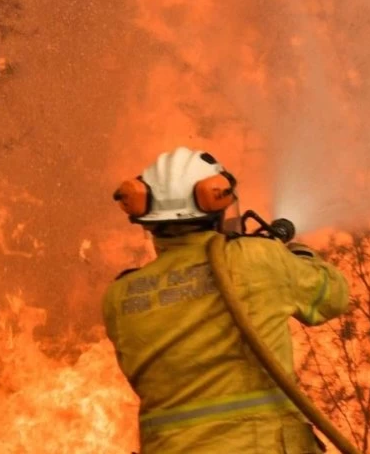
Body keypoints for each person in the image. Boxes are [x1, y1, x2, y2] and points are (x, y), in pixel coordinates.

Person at [103, 146, 350, 453]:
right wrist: (295, 253)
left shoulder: (119, 297)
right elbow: (333, 296)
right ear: (218, 209)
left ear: (149, 221)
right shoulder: (257, 259)